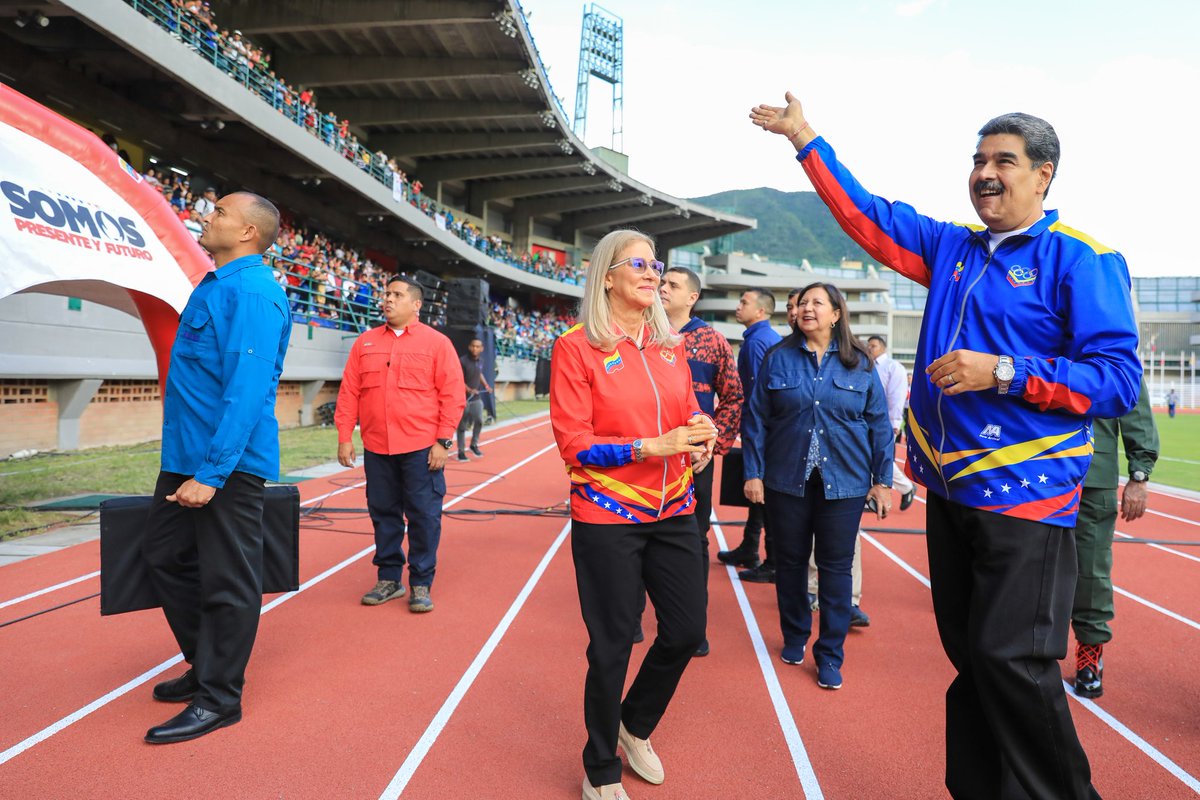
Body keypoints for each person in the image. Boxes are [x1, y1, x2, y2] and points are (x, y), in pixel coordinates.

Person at [750, 92, 1140, 798]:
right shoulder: (951, 246)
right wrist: (805, 138)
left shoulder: (1085, 259)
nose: (985, 173)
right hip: (949, 490)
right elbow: (869, 218)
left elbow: (1117, 380)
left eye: (1004, 161)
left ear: (1044, 175)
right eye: (978, 160)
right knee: (971, 658)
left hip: (1028, 494)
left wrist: (1006, 372)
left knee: (1012, 659)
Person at [550, 229, 717, 800]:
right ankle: (599, 767)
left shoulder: (672, 345)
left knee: (687, 631)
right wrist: (651, 447)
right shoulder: (576, 347)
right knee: (613, 644)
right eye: (639, 264)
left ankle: (634, 722)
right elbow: (575, 444)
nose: (652, 274)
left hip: (675, 507)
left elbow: (688, 411)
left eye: (656, 265)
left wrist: (700, 434)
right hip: (607, 513)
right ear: (607, 277)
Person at [142, 192, 290, 744]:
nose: (209, 215)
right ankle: (206, 663)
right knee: (163, 556)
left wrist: (211, 474)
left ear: (248, 232)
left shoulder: (253, 292)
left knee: (228, 579)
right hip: (185, 456)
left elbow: (246, 391)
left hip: (225, 465)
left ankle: (220, 697)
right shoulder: (215, 285)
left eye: (222, 211)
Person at [743, 282, 892, 690]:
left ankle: (830, 654)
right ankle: (795, 636)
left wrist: (882, 481)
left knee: (836, 567)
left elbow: (879, 424)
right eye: (803, 303)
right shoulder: (778, 357)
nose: (807, 309)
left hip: (845, 482)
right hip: (786, 480)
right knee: (790, 562)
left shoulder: (859, 362)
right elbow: (756, 419)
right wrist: (753, 472)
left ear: (836, 314)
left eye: (817, 303)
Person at [335, 276, 465, 613]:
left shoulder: (437, 344)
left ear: (416, 304)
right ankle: (389, 579)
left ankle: (421, 582)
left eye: (397, 295)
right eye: (386, 294)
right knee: (383, 514)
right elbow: (349, 392)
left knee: (424, 516)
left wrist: (443, 441)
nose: (388, 299)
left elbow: (452, 395)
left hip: (421, 448)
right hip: (378, 447)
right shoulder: (365, 343)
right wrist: (345, 436)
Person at [659, 266, 744, 657]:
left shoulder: (713, 341)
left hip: (693, 461)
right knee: (636, 534)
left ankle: (693, 625)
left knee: (693, 540)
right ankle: (633, 619)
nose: (662, 288)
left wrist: (712, 445)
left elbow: (733, 397)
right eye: (662, 283)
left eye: (672, 285)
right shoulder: (641, 332)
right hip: (647, 453)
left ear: (692, 297)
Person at [1073, 378, 1158, 698]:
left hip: (1093, 475)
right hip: (1034, 472)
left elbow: (1136, 411)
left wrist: (1139, 475)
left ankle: (1090, 651)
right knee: (1027, 565)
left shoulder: (1113, 349)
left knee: (1091, 571)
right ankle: (1028, 649)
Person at [717, 288, 781, 583]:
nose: (738, 306)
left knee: (762, 489)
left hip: (763, 430)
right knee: (759, 494)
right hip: (766, 429)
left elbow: (757, 396)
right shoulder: (764, 338)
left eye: (744, 302)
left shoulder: (757, 342)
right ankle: (749, 547)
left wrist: (750, 431)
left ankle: (772, 561)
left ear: (761, 311)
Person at [866, 336, 916, 510]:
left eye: (873, 345)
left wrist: (894, 423)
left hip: (884, 422)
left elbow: (896, 397)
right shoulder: (867, 365)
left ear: (883, 348)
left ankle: (906, 487)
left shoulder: (893, 367)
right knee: (869, 457)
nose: (869, 348)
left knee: (881, 457)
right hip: (867, 421)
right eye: (868, 345)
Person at [455, 337, 490, 461]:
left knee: (479, 420)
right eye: (473, 346)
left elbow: (479, 373)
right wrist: (469, 389)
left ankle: (474, 444)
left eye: (478, 346)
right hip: (462, 398)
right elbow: (458, 378)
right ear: (470, 347)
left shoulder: (481, 361)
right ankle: (461, 451)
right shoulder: (462, 361)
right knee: (462, 426)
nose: (475, 348)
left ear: (482, 348)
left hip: (476, 398)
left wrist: (486, 385)